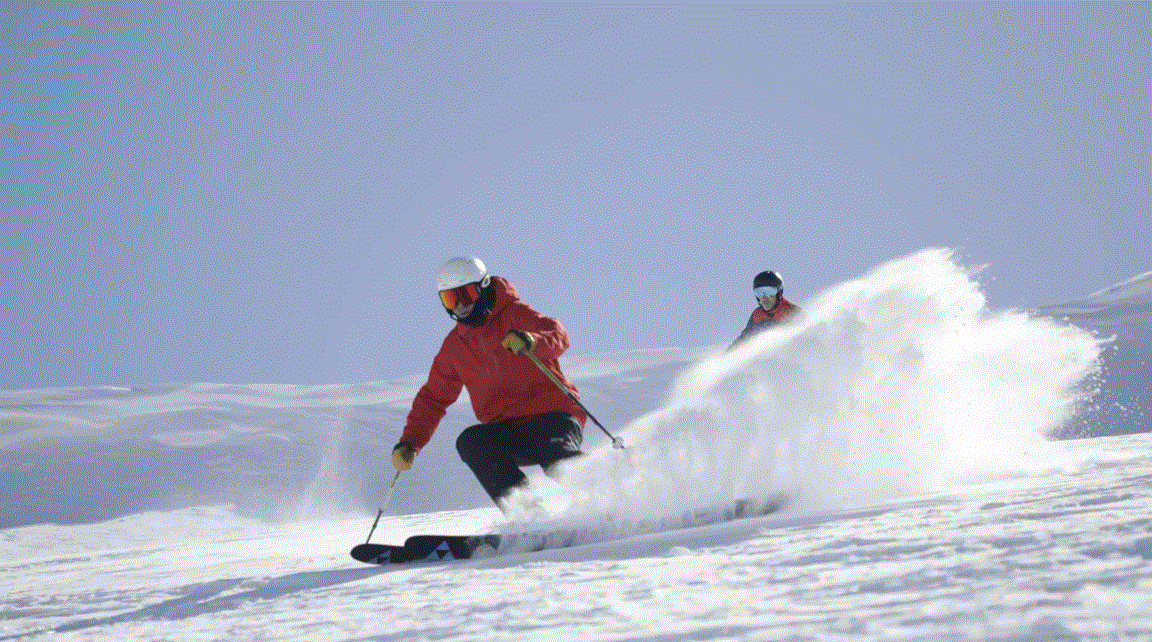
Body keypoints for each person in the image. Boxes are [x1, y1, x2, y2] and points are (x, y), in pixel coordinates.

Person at [391, 256, 586, 514]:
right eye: (450, 299)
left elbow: (559, 336)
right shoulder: (455, 347)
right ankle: (529, 517)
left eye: (465, 294)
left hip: (552, 417)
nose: (459, 305)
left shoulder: (515, 314)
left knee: (554, 457)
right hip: (507, 430)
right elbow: (433, 399)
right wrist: (410, 443)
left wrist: (531, 341)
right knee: (473, 442)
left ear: (482, 287)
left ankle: (615, 496)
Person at [728, 270, 799, 350]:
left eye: (769, 292)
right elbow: (744, 338)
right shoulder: (757, 314)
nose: (764, 298)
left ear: (779, 292)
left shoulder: (792, 311)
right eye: (760, 293)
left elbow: (804, 336)